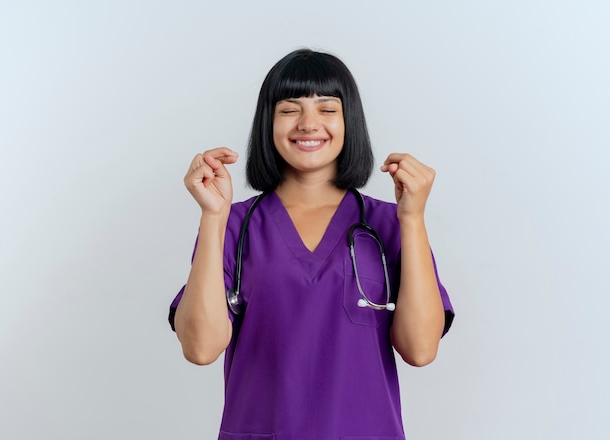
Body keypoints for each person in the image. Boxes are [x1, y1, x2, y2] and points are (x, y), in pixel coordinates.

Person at [168, 48, 454, 440]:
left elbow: (420, 350)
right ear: (267, 122)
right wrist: (213, 216)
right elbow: (200, 349)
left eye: (326, 108)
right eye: (289, 109)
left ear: (348, 119)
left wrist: (413, 218)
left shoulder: (391, 223)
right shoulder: (233, 224)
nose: (308, 123)